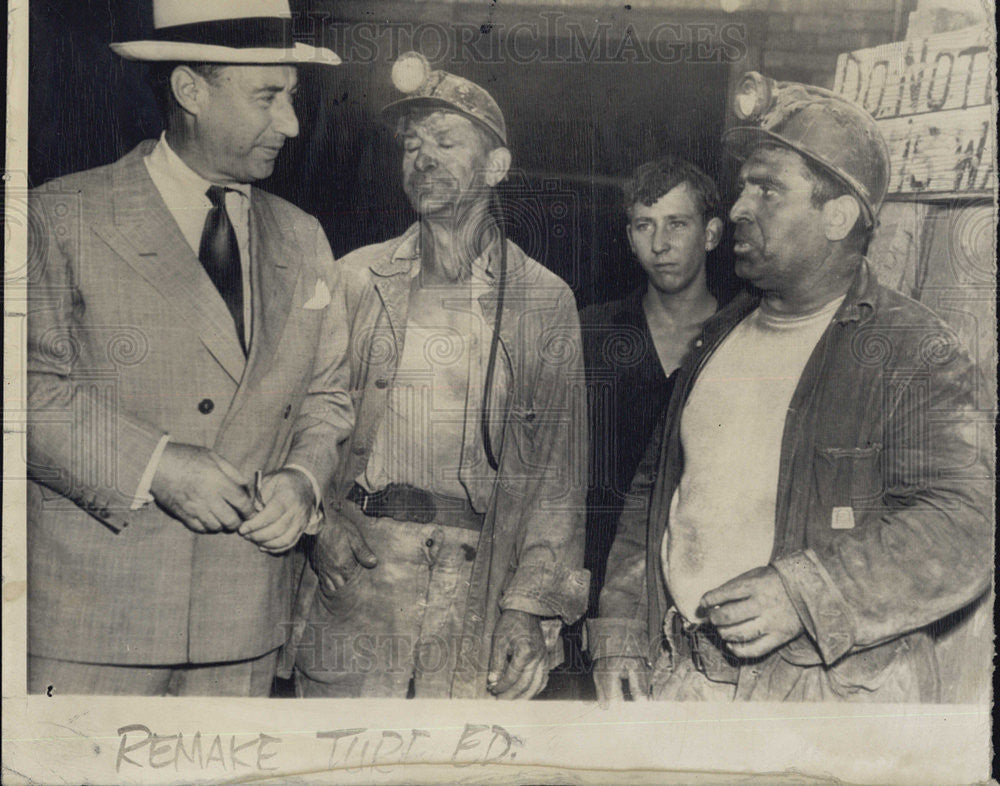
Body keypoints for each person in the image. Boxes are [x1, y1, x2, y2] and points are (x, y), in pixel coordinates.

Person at [591, 72, 993, 703]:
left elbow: (963, 524)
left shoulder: (913, 350)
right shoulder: (719, 333)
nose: (740, 208)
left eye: (769, 189)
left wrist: (805, 593)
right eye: (744, 186)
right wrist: (618, 626)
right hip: (684, 679)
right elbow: (655, 488)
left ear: (837, 215)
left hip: (821, 699)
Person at [27, 0, 354, 696]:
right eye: (268, 98)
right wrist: (158, 466)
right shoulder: (59, 218)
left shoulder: (304, 238)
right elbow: (24, 395)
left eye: (291, 99)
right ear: (189, 90)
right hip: (92, 625)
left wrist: (304, 483)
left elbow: (329, 397)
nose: (292, 125)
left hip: (244, 629)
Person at [292, 52, 589, 699]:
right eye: (411, 145)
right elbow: (300, 419)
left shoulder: (544, 301)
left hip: (477, 586)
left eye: (445, 141)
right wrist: (319, 526)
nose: (421, 157)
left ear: (497, 166)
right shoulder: (354, 278)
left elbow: (557, 482)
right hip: (361, 575)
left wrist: (530, 605)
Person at [578, 157, 722, 682]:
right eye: (645, 225)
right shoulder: (590, 333)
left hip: (697, 601)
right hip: (589, 595)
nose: (660, 243)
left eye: (677, 224)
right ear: (630, 237)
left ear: (711, 234)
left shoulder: (741, 337)